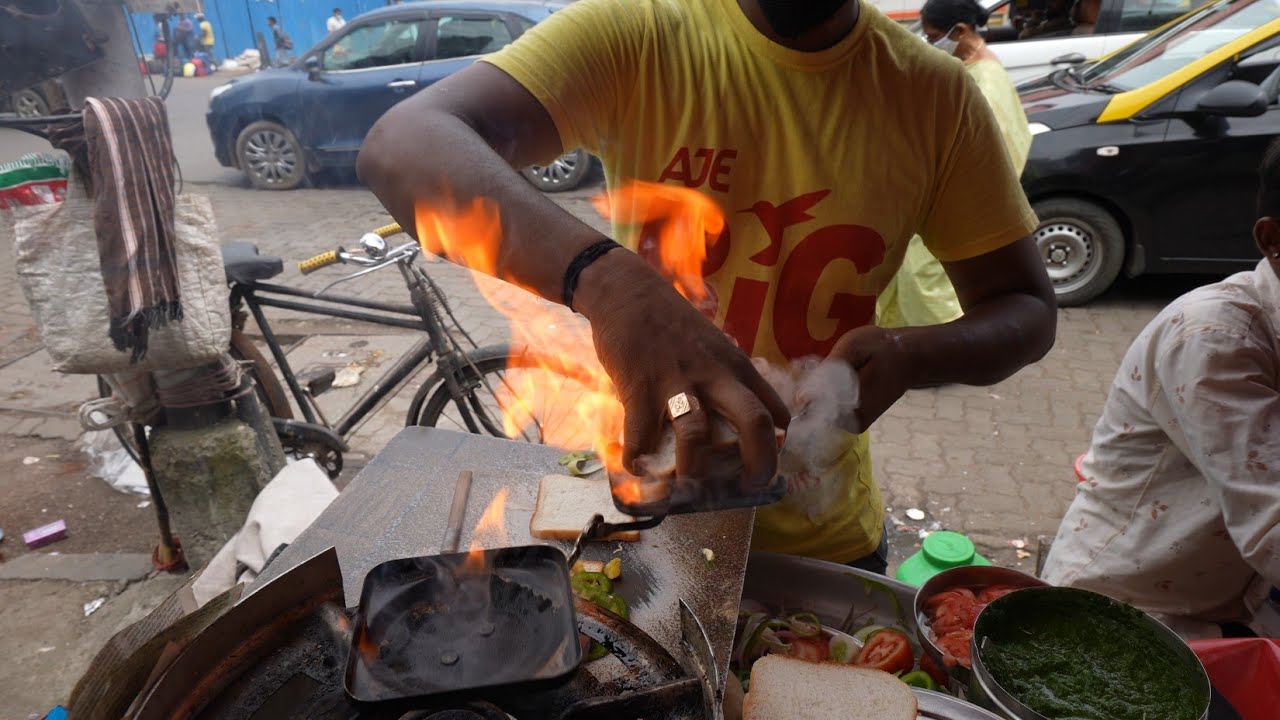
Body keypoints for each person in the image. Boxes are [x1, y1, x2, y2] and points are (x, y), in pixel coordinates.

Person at [357, 0, 1057, 573]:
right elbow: (403, 144)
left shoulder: (935, 96)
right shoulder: (639, 31)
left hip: (823, 535)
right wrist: (607, 282)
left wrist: (912, 352)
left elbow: (1025, 309)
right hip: (652, 521)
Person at [1041, 139, 1280, 640]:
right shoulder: (1215, 338)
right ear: (1272, 240)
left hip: (1229, 605)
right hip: (1121, 610)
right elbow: (1272, 522)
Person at [878, 0, 1032, 329]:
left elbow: (984, 155)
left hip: (953, 203)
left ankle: (931, 355)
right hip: (945, 198)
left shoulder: (983, 84)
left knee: (926, 282)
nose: (932, 44)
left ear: (960, 31)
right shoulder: (977, 69)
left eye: (935, 37)